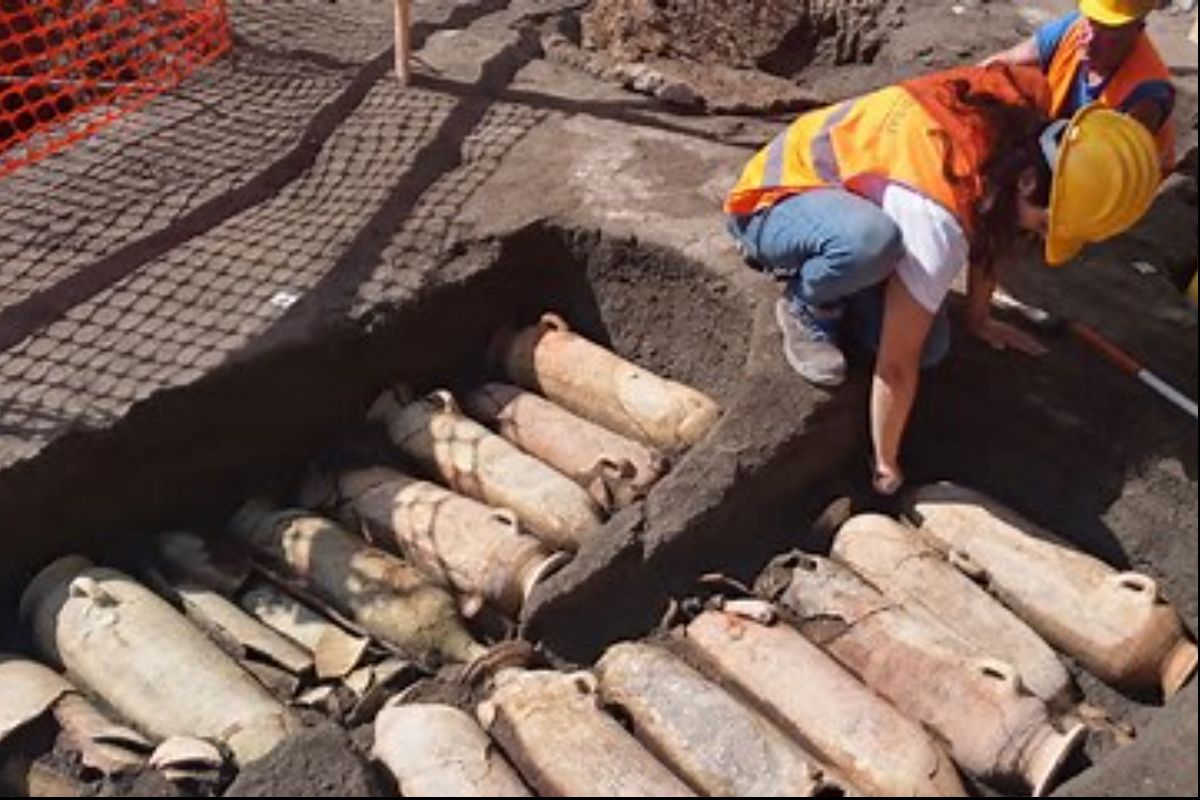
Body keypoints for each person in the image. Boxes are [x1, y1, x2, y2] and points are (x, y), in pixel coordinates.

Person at [724, 64, 1160, 495]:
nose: (1041, 235)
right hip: (775, 202)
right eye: (1046, 223)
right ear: (1029, 181)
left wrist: (978, 317)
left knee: (931, 347)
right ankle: (808, 303)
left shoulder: (1024, 117)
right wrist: (885, 462)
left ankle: (850, 286)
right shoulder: (935, 222)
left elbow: (996, 222)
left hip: (854, 195)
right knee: (870, 245)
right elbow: (896, 367)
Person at [981, 0, 1175, 171]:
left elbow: (1107, 170)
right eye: (1091, 23)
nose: (1089, 41)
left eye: (1108, 34)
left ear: (1137, 30)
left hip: (1113, 180)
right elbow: (1004, 63)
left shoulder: (1146, 93)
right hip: (1064, 140)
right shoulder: (1073, 27)